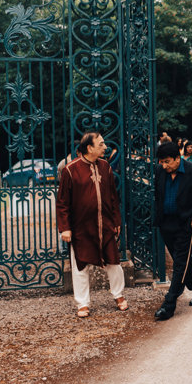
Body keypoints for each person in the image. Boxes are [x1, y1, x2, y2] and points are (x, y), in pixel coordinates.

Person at [56, 132, 126, 318]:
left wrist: (116, 221)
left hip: (106, 225)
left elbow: (113, 196)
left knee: (114, 262)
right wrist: (65, 228)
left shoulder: (105, 166)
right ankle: (83, 303)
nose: (105, 147)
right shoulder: (70, 170)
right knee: (80, 266)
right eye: (101, 144)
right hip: (81, 227)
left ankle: (118, 296)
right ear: (90, 148)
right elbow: (62, 202)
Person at [153, 141, 192, 320]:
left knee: (180, 263)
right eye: (161, 162)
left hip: (186, 224)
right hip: (166, 223)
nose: (164, 166)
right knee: (182, 260)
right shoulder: (159, 171)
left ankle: (169, 304)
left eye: (167, 162)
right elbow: (158, 194)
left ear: (177, 158)